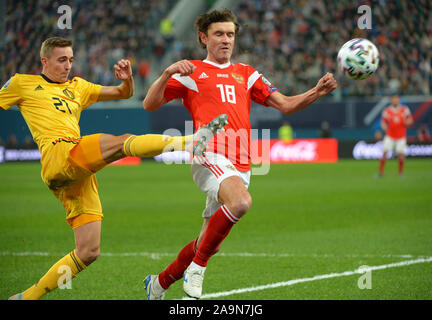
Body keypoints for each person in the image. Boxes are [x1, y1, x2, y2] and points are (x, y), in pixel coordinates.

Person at [2, 37, 221, 300]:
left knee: (88, 252)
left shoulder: (78, 87)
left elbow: (123, 93)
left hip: (76, 174)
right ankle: (189, 142)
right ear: (44, 61)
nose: (67, 66)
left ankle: (26, 297)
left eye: (71, 60)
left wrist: (126, 79)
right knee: (121, 143)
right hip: (59, 155)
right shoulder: (21, 84)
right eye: (61, 60)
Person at [142, 9, 337, 299]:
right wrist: (168, 72)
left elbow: (285, 104)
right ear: (203, 37)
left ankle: (157, 284)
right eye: (219, 34)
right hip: (209, 153)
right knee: (242, 202)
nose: (226, 40)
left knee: (209, 241)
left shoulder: (247, 74)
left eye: (230, 34)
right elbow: (149, 104)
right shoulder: (192, 71)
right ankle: (197, 269)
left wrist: (315, 92)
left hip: (240, 163)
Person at [378, 95, 413, 177]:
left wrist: (407, 122)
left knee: (400, 154)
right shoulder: (387, 110)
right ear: (391, 101)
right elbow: (383, 122)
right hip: (390, 135)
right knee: (384, 153)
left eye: (397, 99)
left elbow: (410, 120)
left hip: (401, 136)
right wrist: (384, 126)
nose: (395, 101)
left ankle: (400, 173)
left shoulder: (404, 109)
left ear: (399, 100)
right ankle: (380, 172)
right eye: (394, 99)